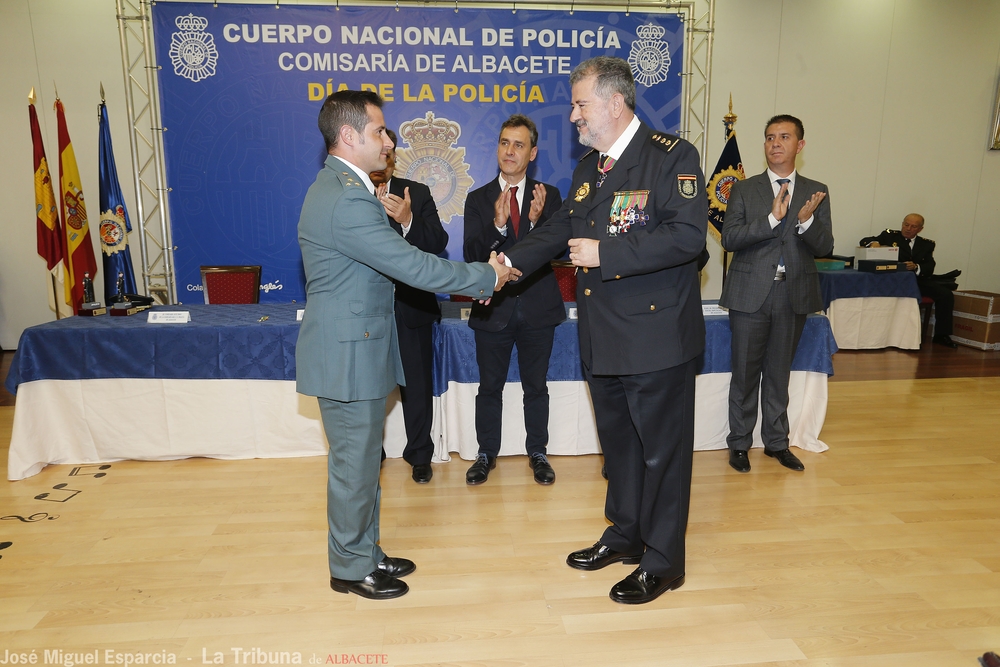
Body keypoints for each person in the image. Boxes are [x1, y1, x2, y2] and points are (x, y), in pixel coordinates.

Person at [296, 90, 520, 600]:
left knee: (362, 461)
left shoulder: (342, 188)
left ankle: (365, 551)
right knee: (354, 464)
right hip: (348, 352)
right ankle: (350, 568)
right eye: (379, 130)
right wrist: (487, 274)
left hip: (358, 347)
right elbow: (412, 266)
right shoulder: (347, 198)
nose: (389, 139)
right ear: (349, 137)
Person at [503, 56, 707, 604]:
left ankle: (664, 562)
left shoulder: (673, 158)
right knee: (618, 448)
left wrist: (606, 252)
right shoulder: (591, 169)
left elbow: (689, 238)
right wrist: (504, 264)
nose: (573, 116)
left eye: (580, 104)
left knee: (662, 454)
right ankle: (624, 535)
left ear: (615, 104)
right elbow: (563, 230)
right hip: (603, 338)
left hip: (656, 339)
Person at [719, 114, 834, 474]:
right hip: (749, 293)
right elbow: (729, 239)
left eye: (784, 137)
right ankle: (738, 444)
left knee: (778, 374)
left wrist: (805, 221)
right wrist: (771, 219)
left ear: (799, 145)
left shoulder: (816, 191)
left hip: (793, 294)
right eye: (770, 137)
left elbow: (825, 247)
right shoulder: (744, 188)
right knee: (745, 374)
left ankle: (776, 443)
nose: (775, 143)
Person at [463, 114, 565, 486]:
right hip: (494, 310)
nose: (510, 151)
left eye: (519, 144)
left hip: (538, 309)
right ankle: (485, 453)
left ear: (532, 152)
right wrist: (499, 227)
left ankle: (538, 452)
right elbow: (473, 253)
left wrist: (537, 225)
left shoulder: (549, 197)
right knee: (489, 387)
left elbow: (557, 250)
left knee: (535, 387)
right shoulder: (478, 199)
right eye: (505, 142)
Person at [369, 129, 449, 483]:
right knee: (368, 387)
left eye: (389, 153)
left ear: (393, 156)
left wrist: (407, 220)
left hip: (410, 309)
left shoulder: (415, 193)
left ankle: (420, 454)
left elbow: (438, 242)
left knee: (416, 387)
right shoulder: (350, 194)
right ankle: (371, 453)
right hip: (367, 311)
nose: (383, 158)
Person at [860, 214, 957, 348]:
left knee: (946, 295)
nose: (908, 228)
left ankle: (941, 335)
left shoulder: (926, 244)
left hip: (916, 280)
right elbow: (865, 240)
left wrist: (916, 266)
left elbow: (929, 266)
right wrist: (874, 243)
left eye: (913, 226)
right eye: (906, 224)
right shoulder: (889, 236)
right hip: (894, 280)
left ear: (920, 229)